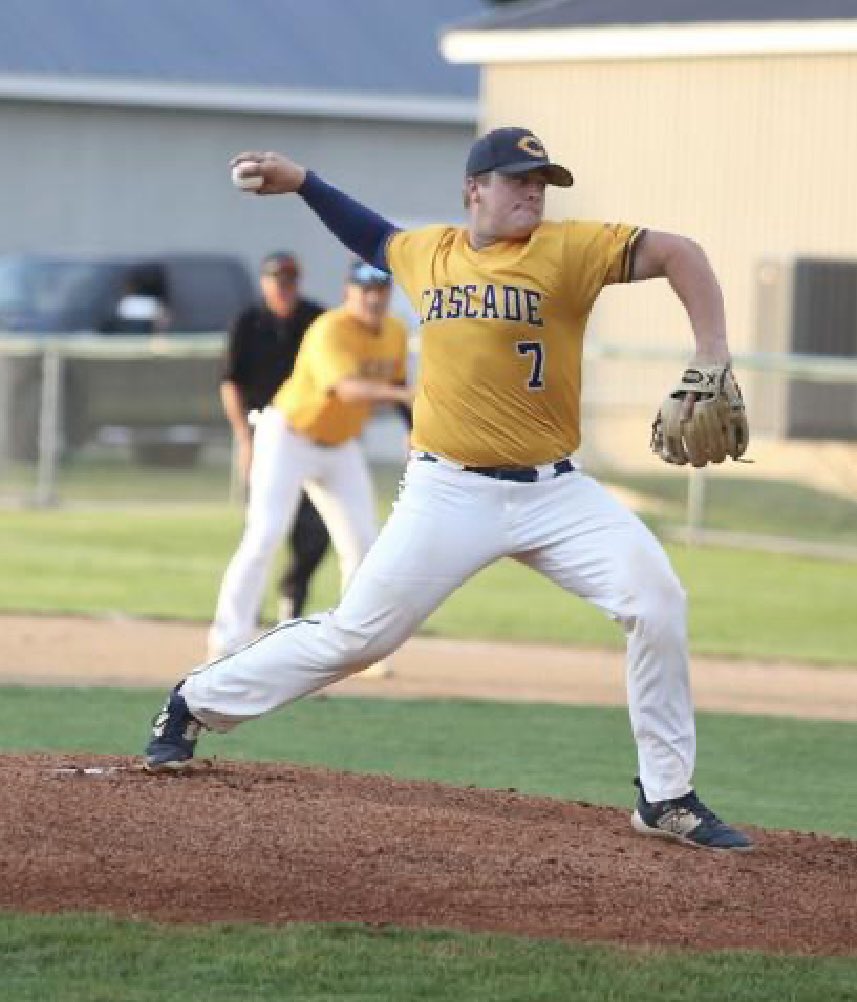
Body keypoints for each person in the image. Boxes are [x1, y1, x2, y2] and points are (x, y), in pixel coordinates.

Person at [145, 126, 754, 853]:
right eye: (518, 179)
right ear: (474, 189)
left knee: (655, 602)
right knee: (360, 637)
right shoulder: (429, 253)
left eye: (541, 182)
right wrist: (303, 182)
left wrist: (712, 351)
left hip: (557, 494)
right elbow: (369, 233)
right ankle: (195, 701)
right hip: (449, 492)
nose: (533, 192)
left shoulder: (569, 249)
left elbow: (682, 253)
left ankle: (666, 795)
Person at [208, 258, 412, 658]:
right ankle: (227, 639)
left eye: (380, 290)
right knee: (265, 534)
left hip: (341, 445)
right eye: (365, 290)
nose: (373, 299)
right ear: (348, 292)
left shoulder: (395, 331)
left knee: (363, 542)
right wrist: (404, 397)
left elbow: (398, 380)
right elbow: (345, 389)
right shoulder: (328, 329)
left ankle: (357, 647)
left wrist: (411, 426)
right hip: (288, 436)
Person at [222, 251, 330, 627]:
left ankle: (291, 600)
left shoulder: (316, 320)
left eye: (290, 281)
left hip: (310, 435)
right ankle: (241, 620)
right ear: (264, 283)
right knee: (264, 531)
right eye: (277, 281)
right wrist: (244, 439)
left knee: (314, 532)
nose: (284, 288)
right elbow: (231, 382)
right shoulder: (248, 322)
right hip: (264, 429)